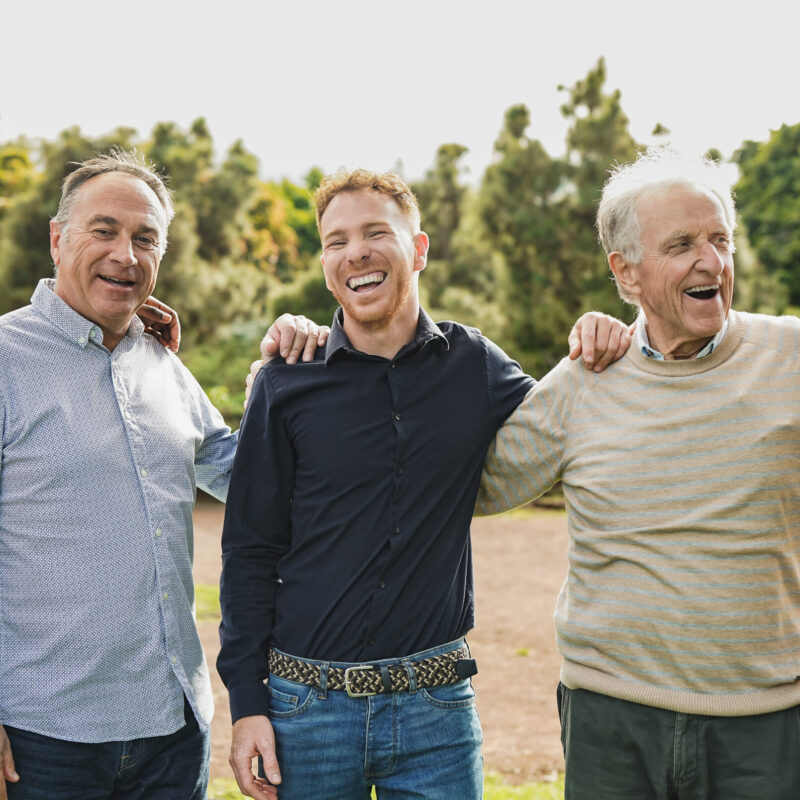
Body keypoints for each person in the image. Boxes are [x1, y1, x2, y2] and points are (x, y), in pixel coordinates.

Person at [218, 168, 631, 800]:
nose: (355, 251)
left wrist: (599, 333)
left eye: (376, 232)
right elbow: (249, 550)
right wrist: (248, 703)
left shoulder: (475, 365)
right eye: (335, 240)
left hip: (436, 711)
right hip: (308, 712)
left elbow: (562, 423)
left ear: (419, 249)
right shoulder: (285, 383)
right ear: (326, 262)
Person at [0, 149, 325, 800]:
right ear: (59, 239)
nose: (126, 253)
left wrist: (281, 382)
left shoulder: (162, 362)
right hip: (45, 739)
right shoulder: (7, 359)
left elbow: (244, 478)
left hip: (173, 731)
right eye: (105, 230)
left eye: (145, 238)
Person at [478, 148, 800, 799]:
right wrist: (314, 378)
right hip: (611, 720)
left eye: (719, 240)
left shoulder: (789, 358)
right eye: (681, 244)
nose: (710, 261)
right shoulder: (583, 381)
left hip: (765, 727)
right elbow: (469, 484)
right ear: (625, 273)